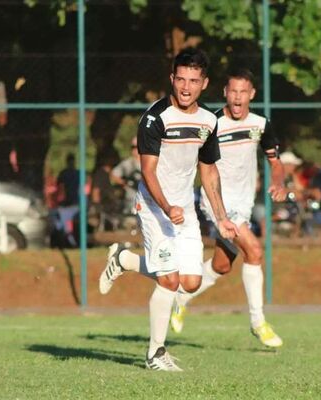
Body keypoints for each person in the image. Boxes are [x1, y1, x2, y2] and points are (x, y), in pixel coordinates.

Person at [98, 48, 238, 371]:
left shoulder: (208, 121)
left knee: (190, 281)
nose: (186, 87)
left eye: (194, 80)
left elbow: (209, 171)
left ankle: (124, 259)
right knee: (169, 281)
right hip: (153, 206)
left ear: (204, 83)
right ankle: (155, 354)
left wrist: (221, 217)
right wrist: (166, 206)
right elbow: (148, 172)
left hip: (184, 209)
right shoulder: (154, 118)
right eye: (181, 79)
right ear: (171, 79)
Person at [170, 68, 286, 347]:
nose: (237, 97)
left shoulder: (260, 123)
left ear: (251, 95)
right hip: (217, 203)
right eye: (232, 91)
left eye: (243, 92)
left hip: (243, 204)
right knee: (254, 251)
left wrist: (280, 183)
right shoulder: (212, 122)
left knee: (221, 266)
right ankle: (258, 322)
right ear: (225, 92)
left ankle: (180, 298)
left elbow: (275, 162)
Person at [110, 136, 142, 216]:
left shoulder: (149, 162)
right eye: (133, 147)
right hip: (131, 197)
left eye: (137, 147)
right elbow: (113, 174)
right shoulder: (127, 163)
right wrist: (125, 182)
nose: (135, 150)